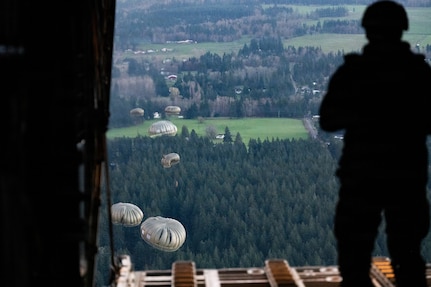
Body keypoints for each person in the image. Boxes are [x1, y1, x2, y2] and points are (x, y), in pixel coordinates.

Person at [318, 1, 431, 287]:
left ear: (368, 31)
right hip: (406, 175)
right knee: (408, 257)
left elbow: (329, 120)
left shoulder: (353, 72)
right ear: (402, 30)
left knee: (355, 257)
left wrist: (362, 113)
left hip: (362, 174)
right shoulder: (419, 73)